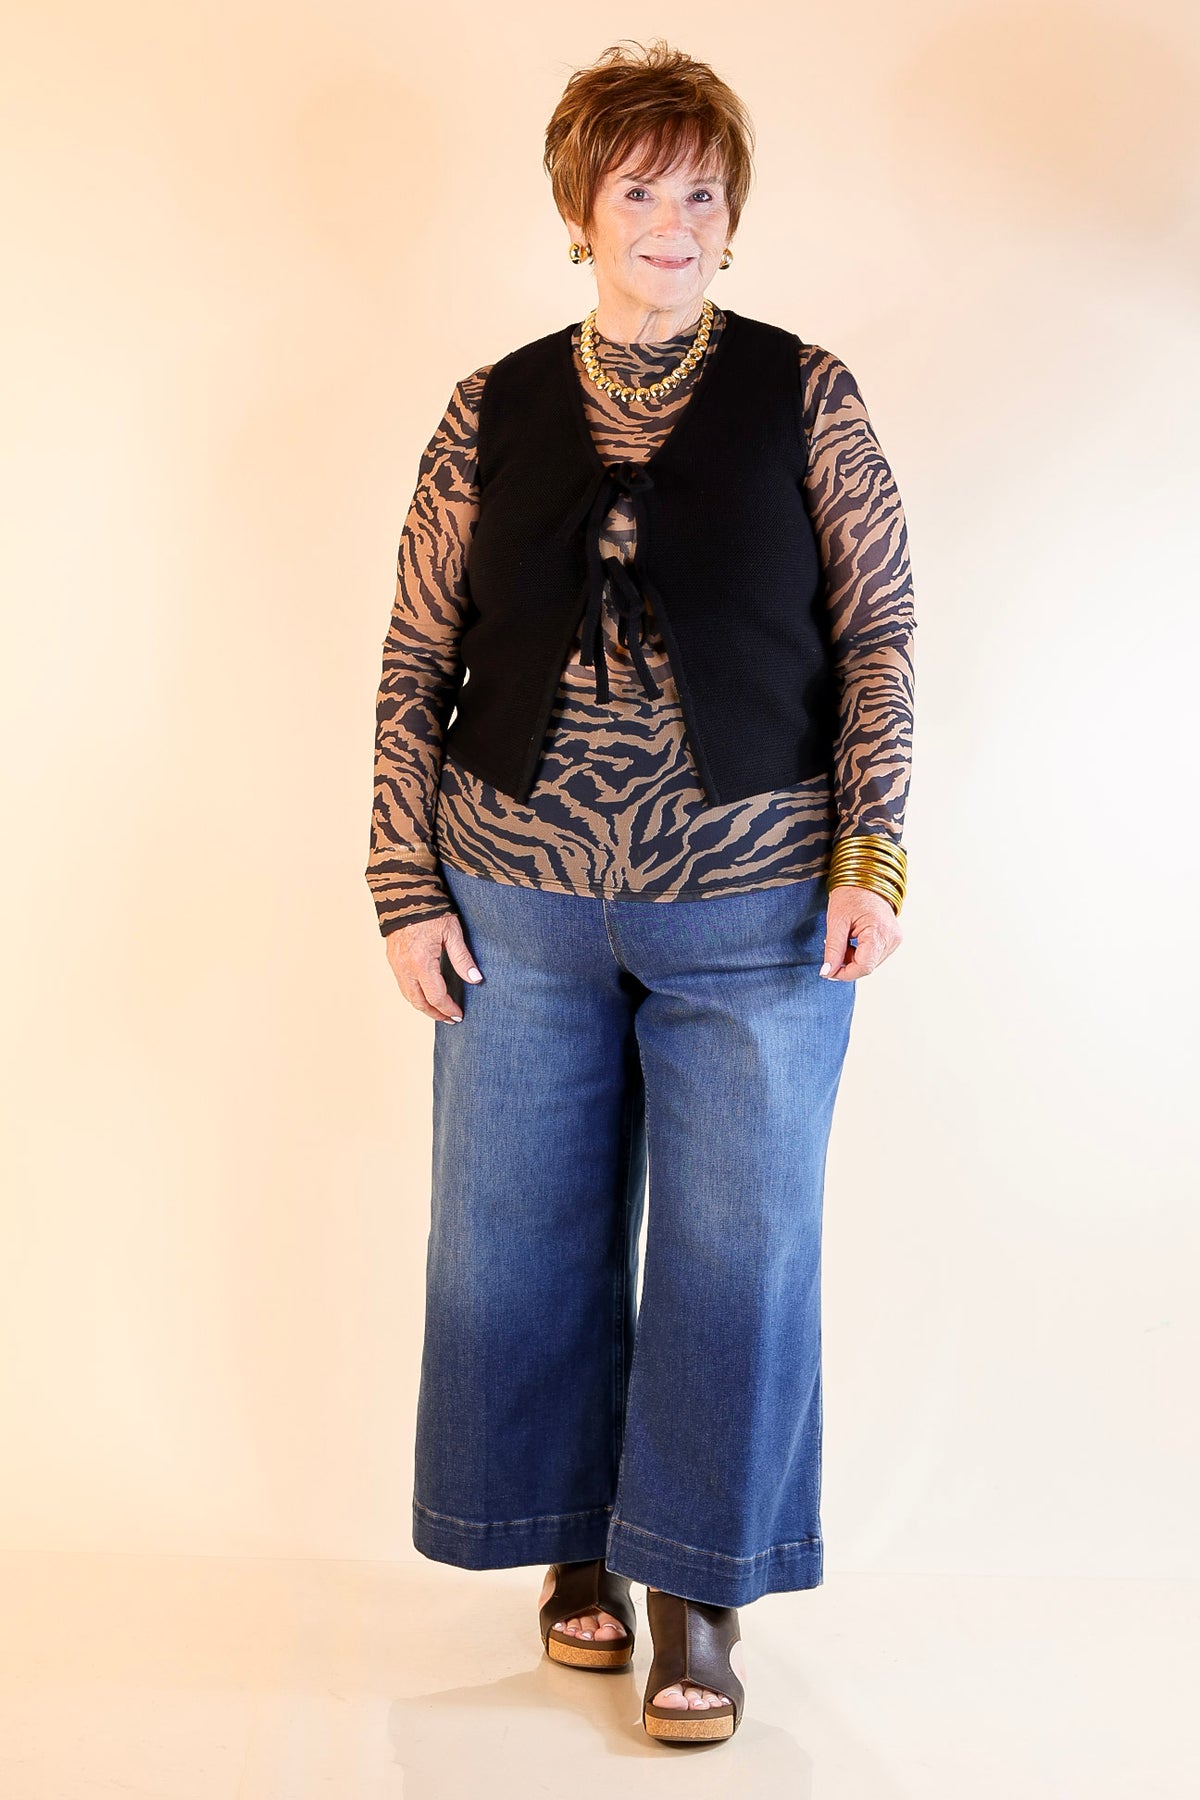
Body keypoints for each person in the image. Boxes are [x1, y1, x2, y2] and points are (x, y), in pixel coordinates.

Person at [365, 38, 916, 1747]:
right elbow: (416, 654)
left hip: (753, 907)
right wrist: (402, 879)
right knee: (516, 1232)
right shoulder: (492, 406)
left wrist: (873, 853)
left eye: (700, 191)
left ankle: (701, 1590)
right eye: (637, 188)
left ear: (732, 216)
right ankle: (570, 1545)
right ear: (579, 210)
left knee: (738, 1245)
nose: (671, 220)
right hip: (513, 904)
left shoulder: (809, 394)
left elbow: (881, 638)